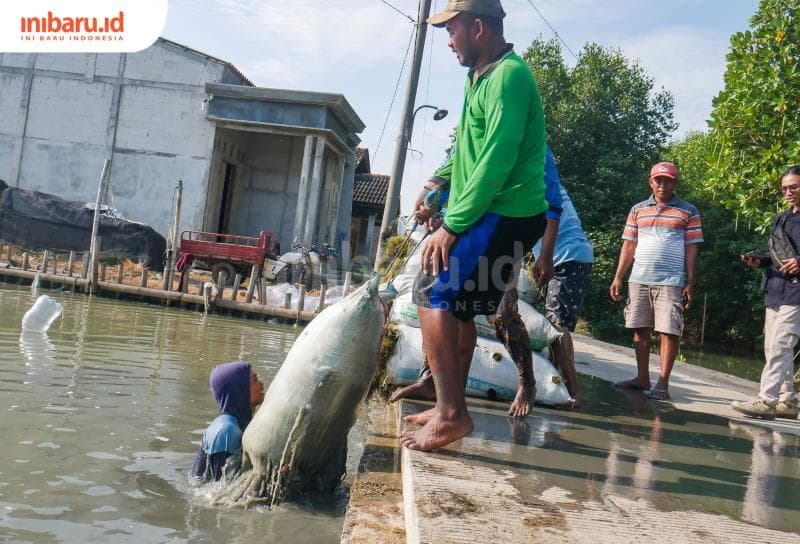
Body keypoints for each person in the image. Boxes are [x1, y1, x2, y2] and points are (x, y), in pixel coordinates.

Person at [398, 0, 557, 452]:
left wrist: (452, 223)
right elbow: (468, 148)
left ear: (479, 28)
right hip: (493, 211)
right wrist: (438, 181)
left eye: (453, 30)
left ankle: (452, 413)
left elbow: (495, 161)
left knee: (433, 291)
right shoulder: (479, 77)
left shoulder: (509, 77)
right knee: (460, 305)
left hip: (507, 212)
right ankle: (448, 402)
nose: (449, 40)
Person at [392, 149, 588, 413]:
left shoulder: (532, 145)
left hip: (501, 235)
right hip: (459, 234)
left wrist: (545, 255)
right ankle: (433, 382)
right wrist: (433, 208)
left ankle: (526, 382)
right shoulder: (469, 141)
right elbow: (451, 181)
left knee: (502, 314)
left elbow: (552, 202)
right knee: (441, 307)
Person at [609, 161, 703, 401]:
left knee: (669, 330)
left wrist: (690, 281)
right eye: (658, 180)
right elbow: (629, 244)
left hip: (671, 280)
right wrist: (619, 276)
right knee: (639, 329)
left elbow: (692, 248)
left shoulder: (688, 211)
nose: (662, 184)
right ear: (650, 182)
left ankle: (663, 382)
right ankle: (642, 378)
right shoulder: (638, 209)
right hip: (639, 278)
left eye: (667, 180)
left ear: (675, 183)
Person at [731, 166, 800, 420]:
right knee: (773, 347)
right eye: (785, 188)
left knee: (781, 344)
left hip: (797, 293)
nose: (789, 192)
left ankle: (767, 400)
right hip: (775, 288)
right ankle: (787, 400)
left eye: (794, 186)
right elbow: (776, 255)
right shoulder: (781, 219)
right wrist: (759, 260)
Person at [191, 361, 265, 483]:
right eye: (255, 380)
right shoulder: (226, 430)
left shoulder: (244, 422)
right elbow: (219, 489)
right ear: (240, 389)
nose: (261, 384)